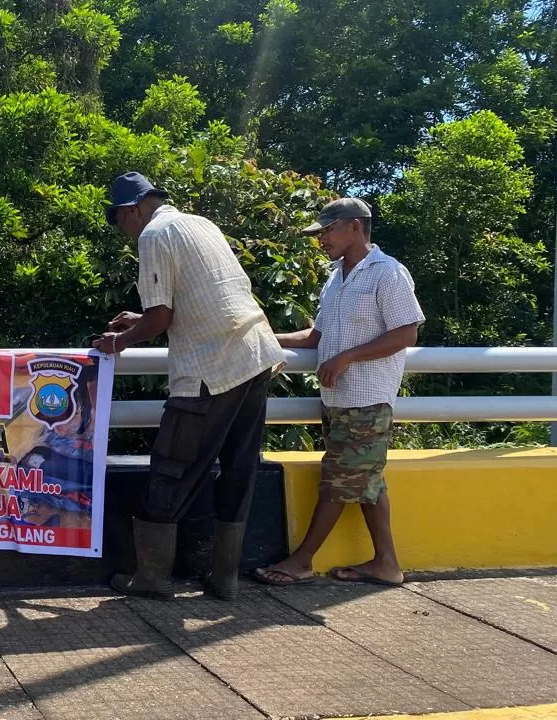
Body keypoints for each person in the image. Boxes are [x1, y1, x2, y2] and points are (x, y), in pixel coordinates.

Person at [93, 172, 284, 601]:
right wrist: (136, 319)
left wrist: (117, 342)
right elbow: (191, 303)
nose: (123, 230)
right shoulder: (200, 223)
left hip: (209, 368)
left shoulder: (154, 235)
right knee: (239, 467)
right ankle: (225, 578)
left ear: (133, 209)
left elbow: (161, 319)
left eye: (119, 220)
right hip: (254, 357)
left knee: (171, 468)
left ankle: (152, 577)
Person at [252, 198, 423, 588]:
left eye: (327, 231)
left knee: (337, 481)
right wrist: (262, 339)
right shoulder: (336, 277)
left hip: (367, 398)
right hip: (337, 400)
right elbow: (316, 337)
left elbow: (407, 333)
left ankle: (301, 561)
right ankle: (387, 564)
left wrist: (347, 358)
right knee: (365, 481)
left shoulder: (388, 273)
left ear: (354, 227)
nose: (322, 239)